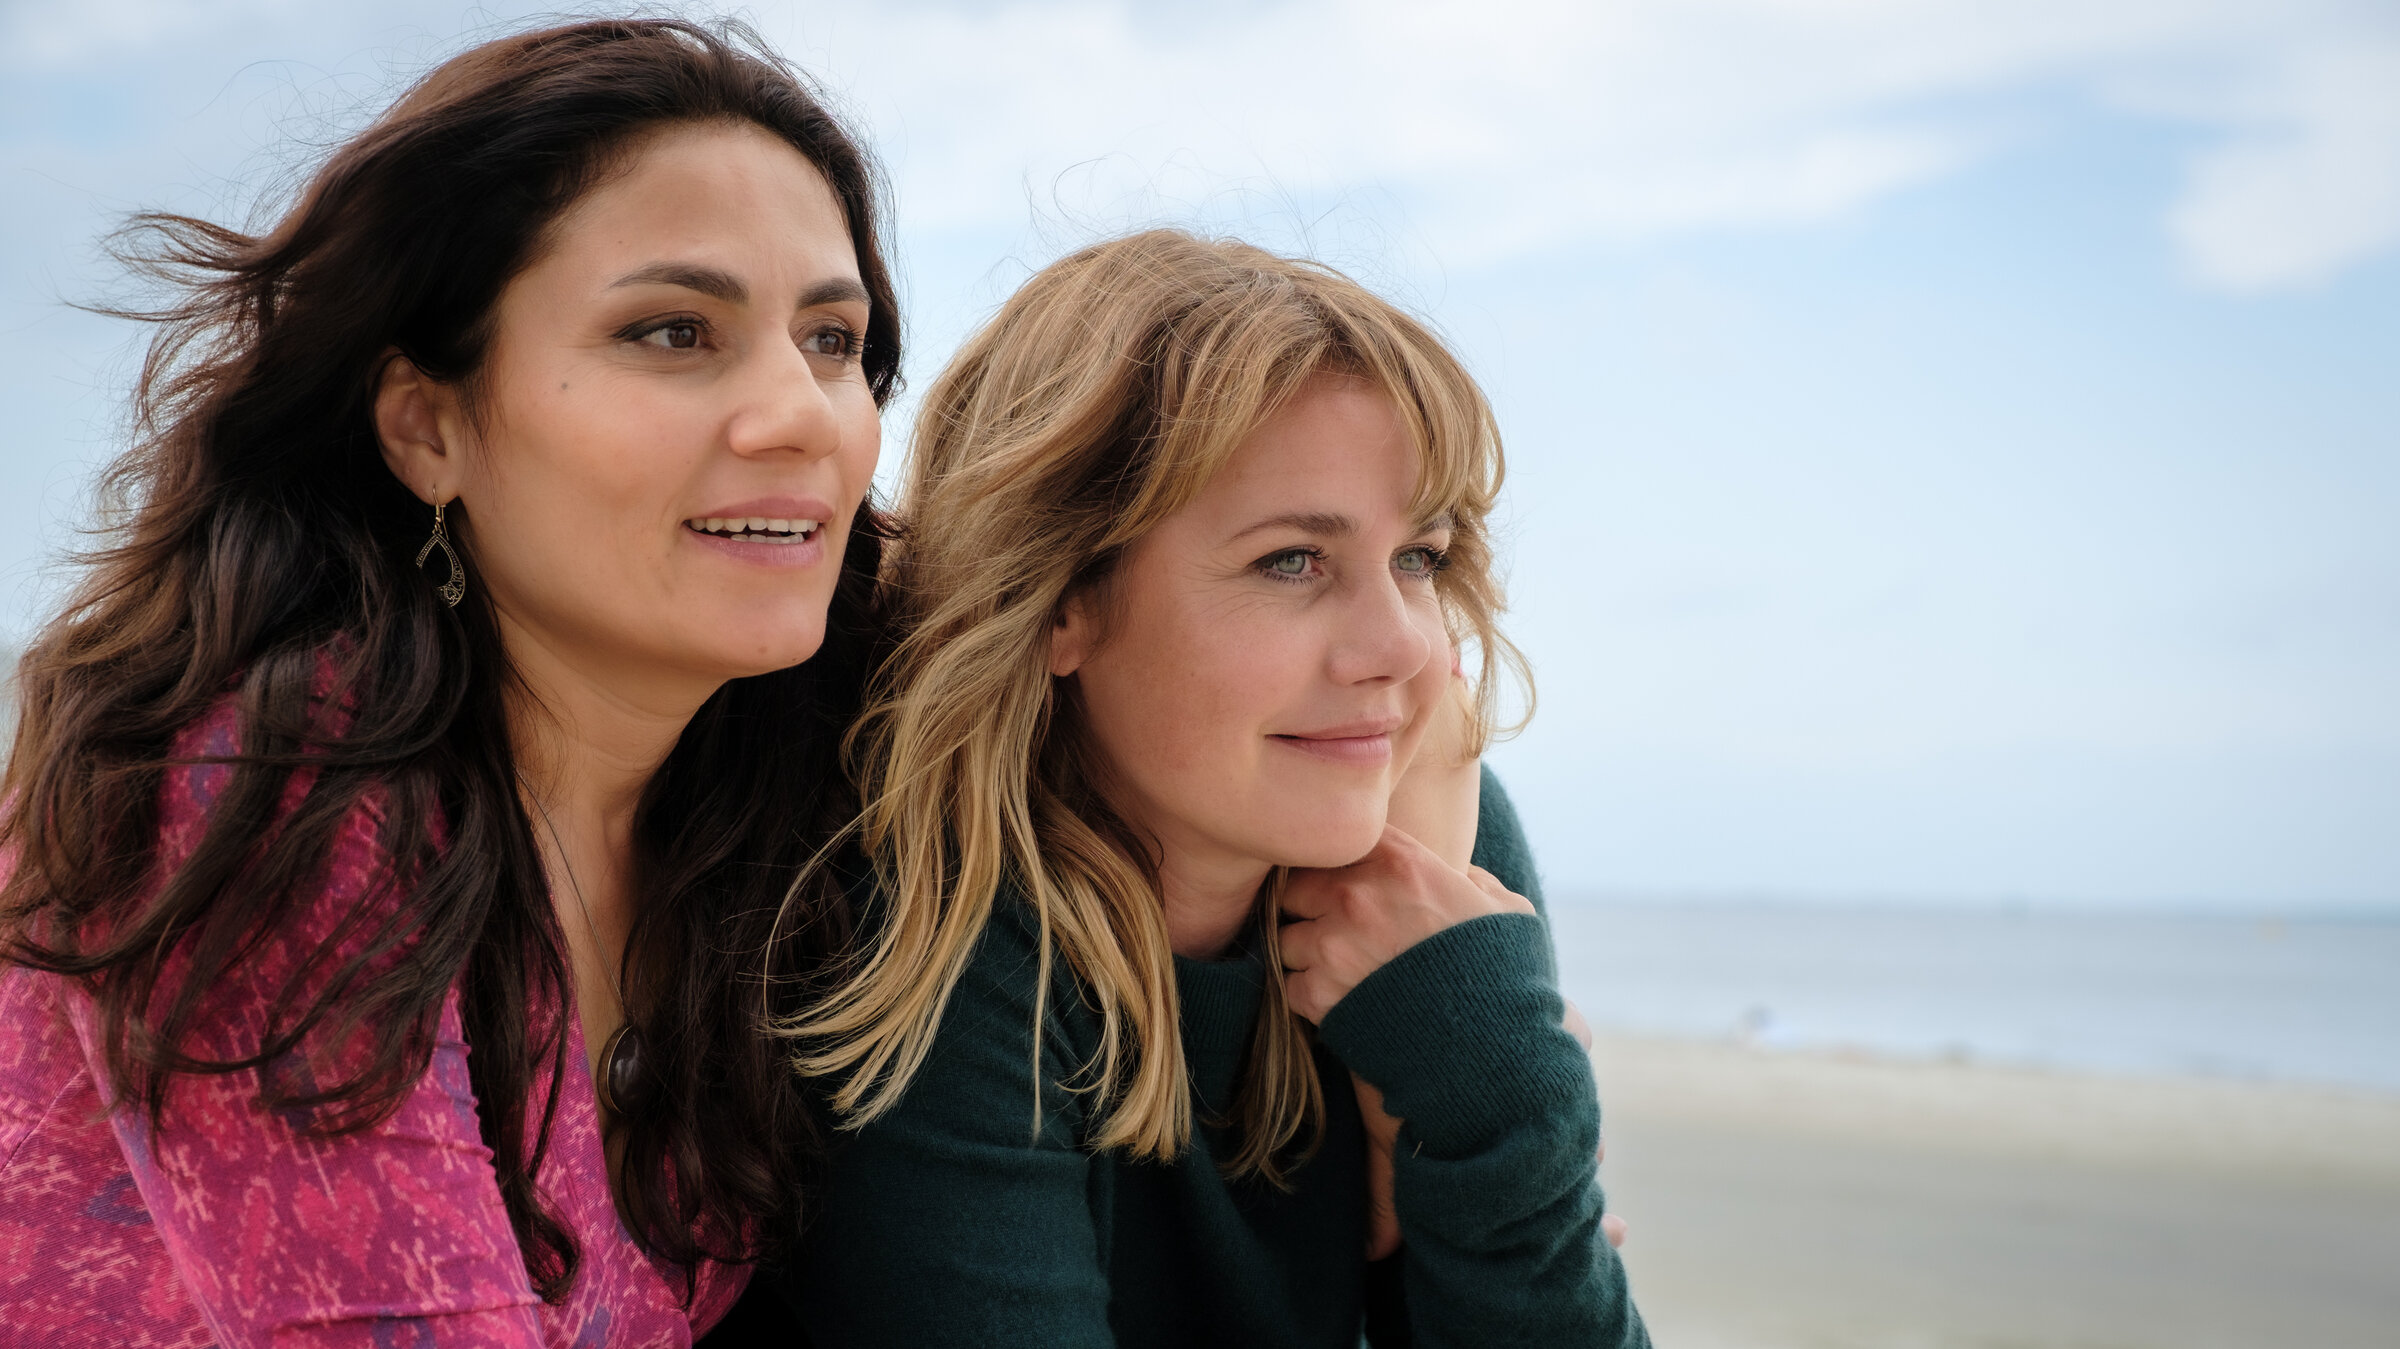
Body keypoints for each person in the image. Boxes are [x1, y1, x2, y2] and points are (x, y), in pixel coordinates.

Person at [0, 19, 898, 1346]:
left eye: (832, 338)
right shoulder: (266, 792)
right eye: (673, 331)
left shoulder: (777, 792)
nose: (804, 414)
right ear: (428, 425)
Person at [775, 229, 1648, 1346]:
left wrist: (1494, 1089)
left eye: (1419, 558)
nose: (1401, 649)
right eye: (1293, 560)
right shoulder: (935, 937)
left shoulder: (1428, 874)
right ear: (1059, 601)